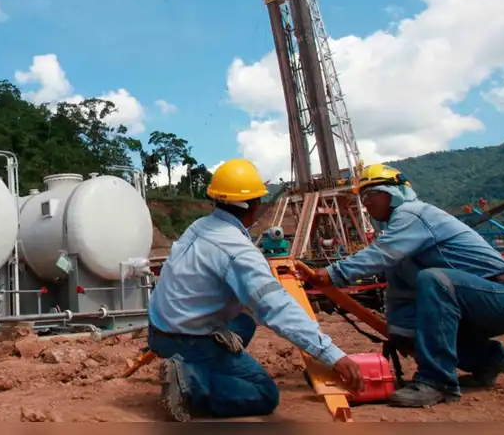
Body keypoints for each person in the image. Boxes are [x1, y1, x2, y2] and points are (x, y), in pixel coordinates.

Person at [147, 158, 363, 421]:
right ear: (255, 205)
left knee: (245, 322)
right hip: (187, 340)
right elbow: (276, 307)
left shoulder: (199, 226)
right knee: (263, 393)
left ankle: (200, 365)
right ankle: (190, 379)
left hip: (159, 330)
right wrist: (332, 355)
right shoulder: (237, 251)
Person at [309, 163, 504, 408]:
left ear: (389, 194)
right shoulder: (401, 238)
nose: (365, 204)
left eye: (368, 196)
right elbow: (399, 293)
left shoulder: (411, 214)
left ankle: (438, 382)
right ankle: (489, 360)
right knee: (419, 327)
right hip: (479, 299)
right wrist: (401, 334)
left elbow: (381, 254)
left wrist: (333, 273)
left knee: (434, 279)